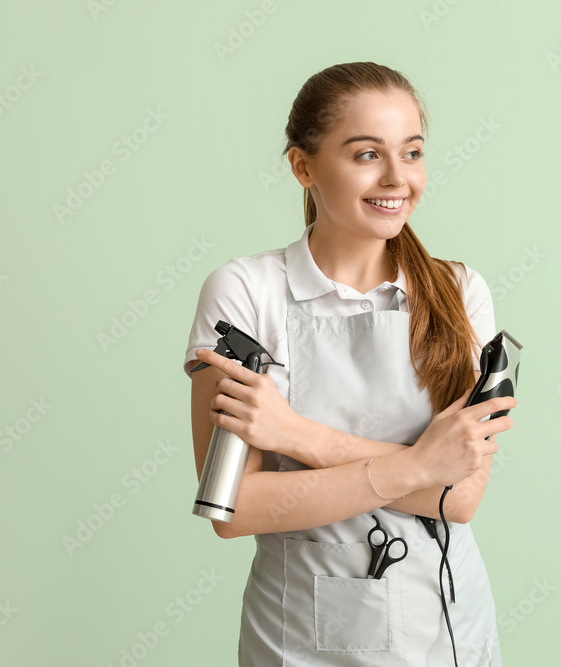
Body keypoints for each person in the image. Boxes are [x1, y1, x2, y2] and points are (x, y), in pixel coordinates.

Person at [183, 61, 516, 666]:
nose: (397, 178)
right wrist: (420, 467)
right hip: (303, 638)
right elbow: (232, 508)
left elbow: (461, 498)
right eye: (367, 154)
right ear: (302, 166)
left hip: (451, 629)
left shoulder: (460, 292)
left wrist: (295, 436)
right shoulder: (244, 293)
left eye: (411, 152)